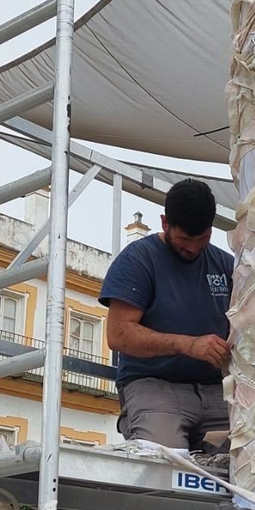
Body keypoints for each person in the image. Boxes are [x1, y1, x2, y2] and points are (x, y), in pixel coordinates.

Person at [101, 178, 234, 451]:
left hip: (217, 391)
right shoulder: (138, 259)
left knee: (250, 460)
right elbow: (118, 334)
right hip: (153, 387)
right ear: (164, 223)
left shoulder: (226, 265)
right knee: (165, 462)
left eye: (203, 239)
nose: (194, 248)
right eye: (185, 239)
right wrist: (189, 345)